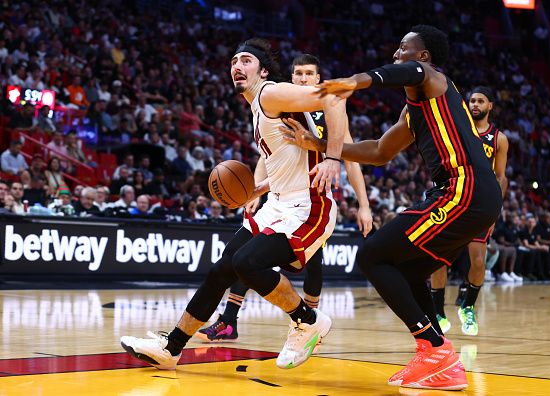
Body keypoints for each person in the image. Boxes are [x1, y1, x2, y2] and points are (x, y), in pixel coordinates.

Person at [282, 25, 502, 390]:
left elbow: (410, 72)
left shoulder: (432, 78)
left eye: (404, 48)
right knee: (409, 271)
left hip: (464, 189)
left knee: (372, 255)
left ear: (424, 56)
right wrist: (318, 143)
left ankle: (433, 348)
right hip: (465, 195)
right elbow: (380, 152)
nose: (397, 54)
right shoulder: (416, 110)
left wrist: (354, 81)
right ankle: (441, 362)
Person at [120, 38, 347, 371]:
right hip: (278, 201)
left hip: (308, 205)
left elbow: (335, 97)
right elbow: (289, 160)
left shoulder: (271, 93)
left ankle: (307, 320)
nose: (236, 66)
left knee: (246, 263)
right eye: (233, 62)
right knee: (221, 271)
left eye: (246, 60)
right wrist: (258, 189)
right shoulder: (258, 106)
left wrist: (333, 158)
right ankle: (172, 347)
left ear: (263, 70)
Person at [196, 54, 372, 342]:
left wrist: (363, 205)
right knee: (246, 256)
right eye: (298, 73)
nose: (303, 78)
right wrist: (254, 189)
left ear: (317, 79)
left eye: (308, 74)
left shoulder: (330, 112)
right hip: (279, 194)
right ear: (292, 78)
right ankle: (228, 319)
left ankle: (305, 324)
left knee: (314, 263)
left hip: (314, 199)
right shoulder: (286, 103)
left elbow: (351, 160)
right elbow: (269, 154)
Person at [429, 86, 511, 336]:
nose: (475, 104)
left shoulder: (499, 138)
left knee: (478, 261)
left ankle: (467, 306)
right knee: (438, 257)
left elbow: (501, 178)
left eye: (480, 101)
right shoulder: (459, 129)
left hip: (480, 206)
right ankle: (437, 310)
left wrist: (495, 211)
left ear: (490, 106)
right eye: (472, 100)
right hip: (454, 200)